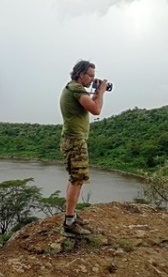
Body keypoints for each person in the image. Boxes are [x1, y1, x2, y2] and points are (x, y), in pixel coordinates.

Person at [59, 60, 108, 235]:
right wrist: (101, 92)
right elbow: (96, 110)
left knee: (74, 179)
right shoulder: (76, 89)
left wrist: (96, 92)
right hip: (75, 142)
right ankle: (70, 222)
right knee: (77, 180)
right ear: (81, 74)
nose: (93, 79)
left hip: (72, 140)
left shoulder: (73, 88)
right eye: (91, 75)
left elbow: (89, 103)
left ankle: (70, 216)